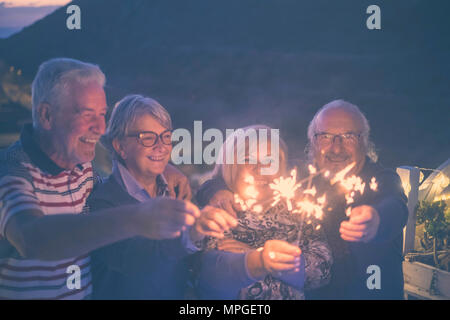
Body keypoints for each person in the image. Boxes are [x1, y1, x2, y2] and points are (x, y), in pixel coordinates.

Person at [0, 58, 204, 299]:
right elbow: (32, 239)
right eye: (87, 115)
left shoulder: (82, 167)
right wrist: (137, 218)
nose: (100, 127)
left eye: (102, 114)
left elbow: (118, 177)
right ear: (46, 115)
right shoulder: (12, 169)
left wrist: (161, 167)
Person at [196, 101, 409, 299]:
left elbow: (395, 206)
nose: (336, 147)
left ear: (365, 141)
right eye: (325, 136)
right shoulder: (300, 175)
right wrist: (215, 190)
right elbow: (243, 171)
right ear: (313, 142)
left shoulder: (381, 180)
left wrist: (376, 220)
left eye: (348, 136)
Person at [88, 94, 237, 299]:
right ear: (120, 146)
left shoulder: (175, 191)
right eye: (148, 138)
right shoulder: (104, 202)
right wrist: (191, 233)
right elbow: (139, 261)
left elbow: (188, 262)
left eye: (166, 136)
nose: (162, 146)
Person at [195, 125, 332, 300]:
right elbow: (208, 277)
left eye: (269, 160)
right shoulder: (214, 215)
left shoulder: (300, 211)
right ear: (230, 167)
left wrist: (259, 256)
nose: (260, 169)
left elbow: (322, 271)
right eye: (247, 159)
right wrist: (258, 261)